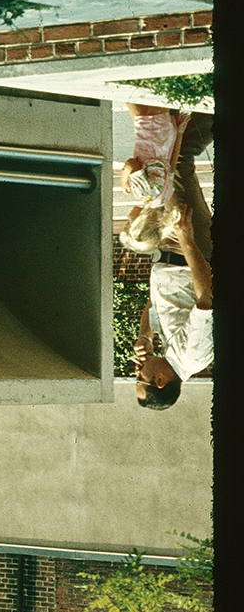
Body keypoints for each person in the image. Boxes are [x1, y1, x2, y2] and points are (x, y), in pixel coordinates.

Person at [133, 201, 213, 410]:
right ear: (160, 381)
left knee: (176, 171)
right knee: (162, 177)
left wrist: (145, 336)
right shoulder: (192, 356)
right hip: (184, 246)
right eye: (139, 378)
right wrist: (185, 238)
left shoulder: (170, 353)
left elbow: (152, 304)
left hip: (169, 246)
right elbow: (206, 299)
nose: (136, 372)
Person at [117, 103, 211, 255]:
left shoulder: (161, 199)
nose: (127, 217)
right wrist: (123, 180)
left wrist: (178, 134)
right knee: (140, 100)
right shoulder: (145, 194)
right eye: (128, 223)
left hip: (163, 137)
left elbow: (171, 169)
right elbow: (131, 164)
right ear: (140, 222)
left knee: (149, 107)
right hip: (156, 134)